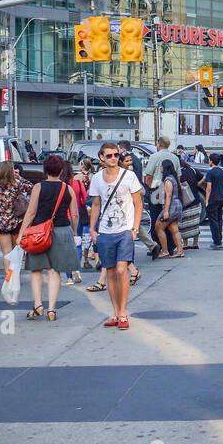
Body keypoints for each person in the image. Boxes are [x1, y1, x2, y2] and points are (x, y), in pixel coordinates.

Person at [87, 142, 144, 331]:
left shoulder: (129, 176)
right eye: (109, 155)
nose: (114, 158)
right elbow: (96, 204)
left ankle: (123, 313)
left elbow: (138, 203)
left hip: (125, 230)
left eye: (116, 155)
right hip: (105, 231)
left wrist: (134, 229)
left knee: (121, 270)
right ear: (101, 158)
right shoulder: (97, 178)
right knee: (110, 272)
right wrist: (93, 230)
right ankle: (115, 312)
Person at [16, 155, 81, 322]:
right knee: (54, 271)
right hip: (61, 231)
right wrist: (74, 232)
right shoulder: (68, 189)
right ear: (61, 170)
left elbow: (31, 212)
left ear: (45, 170)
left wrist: (22, 232)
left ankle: (38, 305)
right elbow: (74, 214)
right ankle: (52, 309)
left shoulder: (38, 187)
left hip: (38, 233)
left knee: (36, 270)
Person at [0, 160, 32, 270]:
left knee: (6, 252)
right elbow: (32, 187)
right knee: (16, 251)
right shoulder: (17, 185)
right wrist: (19, 178)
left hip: (1, 223)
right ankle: (15, 276)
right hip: (16, 222)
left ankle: (8, 278)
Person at [143, 137, 181, 256]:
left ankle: (158, 246)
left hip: (157, 190)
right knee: (170, 221)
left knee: (157, 220)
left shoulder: (154, 157)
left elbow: (148, 176)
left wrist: (149, 189)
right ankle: (170, 246)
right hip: (171, 188)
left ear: (158, 144)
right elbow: (178, 176)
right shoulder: (175, 158)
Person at [153, 159, 185, 259]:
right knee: (173, 228)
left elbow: (168, 196)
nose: (160, 168)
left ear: (165, 168)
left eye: (161, 166)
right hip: (177, 205)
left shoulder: (168, 180)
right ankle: (180, 251)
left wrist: (166, 211)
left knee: (158, 227)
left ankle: (165, 250)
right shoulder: (173, 178)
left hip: (171, 206)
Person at [177, 156, 206, 250]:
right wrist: (198, 184)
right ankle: (195, 243)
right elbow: (204, 177)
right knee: (195, 223)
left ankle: (185, 244)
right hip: (195, 200)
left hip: (184, 201)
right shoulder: (192, 170)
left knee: (184, 224)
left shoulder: (178, 174)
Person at [203, 153, 223, 249]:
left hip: (213, 198)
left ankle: (216, 242)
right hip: (221, 198)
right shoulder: (222, 171)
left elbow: (208, 188)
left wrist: (206, 200)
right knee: (219, 219)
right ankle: (219, 239)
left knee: (213, 221)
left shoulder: (210, 172)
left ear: (212, 161)